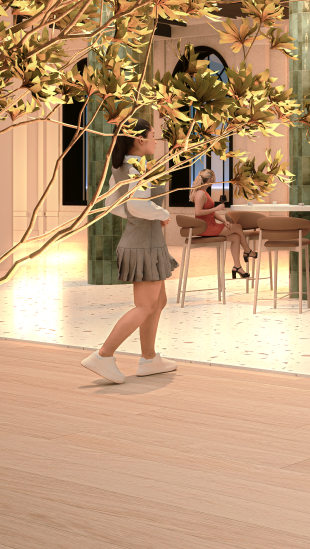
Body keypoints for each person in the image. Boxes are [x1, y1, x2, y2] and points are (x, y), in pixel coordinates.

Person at [81, 122, 179, 383]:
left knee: (157, 302)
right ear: (139, 139)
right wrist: (161, 214)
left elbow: (112, 204)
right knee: (146, 305)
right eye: (153, 137)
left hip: (145, 240)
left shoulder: (123, 167)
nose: (156, 141)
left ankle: (149, 358)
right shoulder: (133, 168)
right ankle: (103, 355)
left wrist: (145, 217)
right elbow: (136, 206)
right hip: (144, 244)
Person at [192, 167, 253, 279]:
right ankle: (247, 251)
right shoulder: (200, 193)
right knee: (238, 226)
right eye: (214, 177)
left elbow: (211, 213)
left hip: (211, 225)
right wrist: (217, 208)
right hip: (205, 227)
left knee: (235, 237)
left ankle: (237, 267)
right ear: (211, 179)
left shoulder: (204, 192)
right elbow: (198, 212)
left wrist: (224, 221)